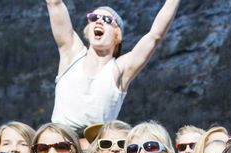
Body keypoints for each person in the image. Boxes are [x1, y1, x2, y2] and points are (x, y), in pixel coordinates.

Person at [46, 0, 180, 135]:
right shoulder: (71, 52)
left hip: (95, 147)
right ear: (87, 30)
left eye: (107, 19)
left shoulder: (120, 69)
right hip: (60, 141)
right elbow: (54, 3)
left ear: (117, 34)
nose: (98, 21)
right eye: (93, 18)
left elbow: (155, 36)